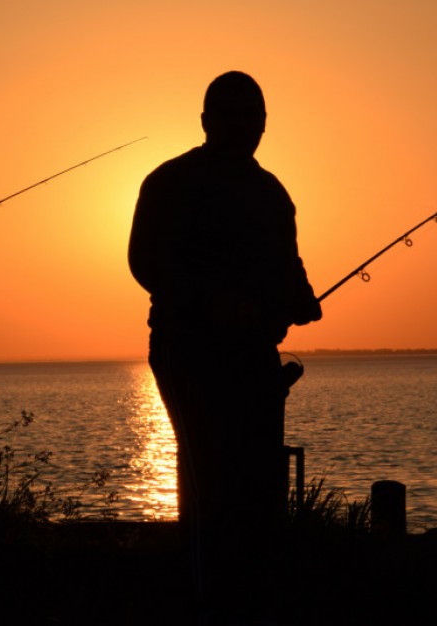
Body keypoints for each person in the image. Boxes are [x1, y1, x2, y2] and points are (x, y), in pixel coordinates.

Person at [128, 71, 322, 622]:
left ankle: (252, 593)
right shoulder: (169, 182)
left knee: (258, 485)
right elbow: (146, 262)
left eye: (250, 116)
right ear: (206, 121)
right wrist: (210, 302)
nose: (240, 126)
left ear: (263, 123)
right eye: (228, 115)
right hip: (186, 353)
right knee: (206, 477)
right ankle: (201, 599)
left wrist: (302, 300)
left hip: (253, 358)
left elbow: (290, 269)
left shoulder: (273, 194)